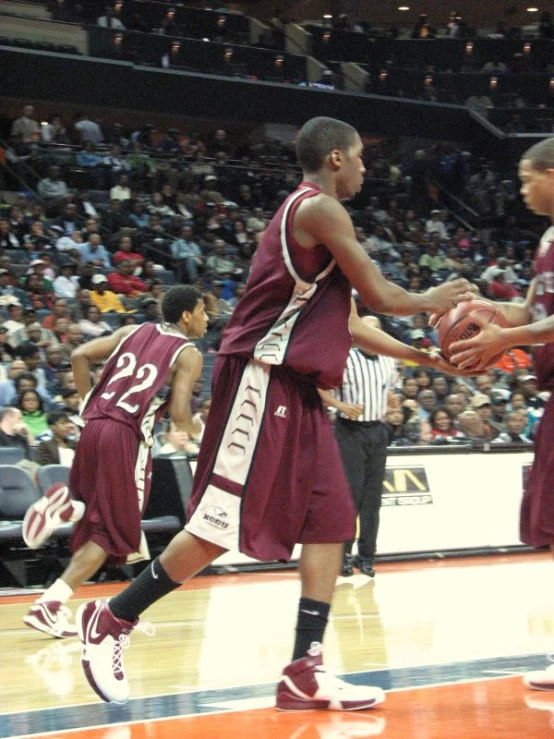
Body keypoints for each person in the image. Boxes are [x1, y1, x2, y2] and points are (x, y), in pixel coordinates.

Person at [74, 116, 474, 708]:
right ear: (335, 157)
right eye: (361, 156)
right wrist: (436, 298)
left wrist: (428, 359)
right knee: (219, 524)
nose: (367, 167)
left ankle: (303, 669)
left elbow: (352, 322)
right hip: (259, 382)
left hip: (298, 391)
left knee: (334, 520)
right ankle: (112, 618)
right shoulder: (318, 209)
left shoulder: (322, 220)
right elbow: (386, 298)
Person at [21, 285, 208, 640]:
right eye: (202, 310)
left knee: (98, 518)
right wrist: (201, 430)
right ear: (186, 315)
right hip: (126, 437)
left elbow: (78, 355)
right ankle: (50, 605)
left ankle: (68, 511)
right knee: (114, 533)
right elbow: (181, 413)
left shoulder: (131, 330)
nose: (206, 318)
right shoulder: (188, 353)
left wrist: (87, 401)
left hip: (93, 427)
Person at [448, 136, 554, 690]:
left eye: (526, 177)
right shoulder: (547, 241)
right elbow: (533, 310)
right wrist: (472, 316)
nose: (521, 187)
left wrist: (502, 336)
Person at [318, 315, 397, 578]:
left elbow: (388, 393)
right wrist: (340, 406)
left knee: (372, 500)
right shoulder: (344, 359)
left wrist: (390, 407)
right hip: (349, 432)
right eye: (366, 330)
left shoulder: (389, 360)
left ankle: (367, 556)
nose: (371, 335)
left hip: (377, 431)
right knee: (349, 497)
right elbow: (317, 388)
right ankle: (342, 555)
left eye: (376, 331)